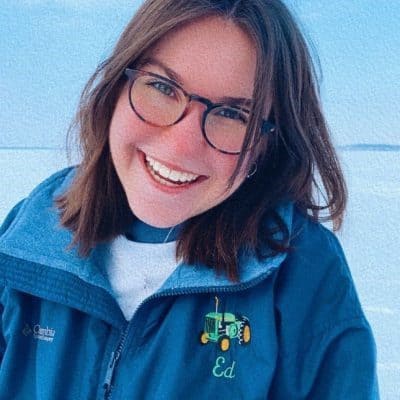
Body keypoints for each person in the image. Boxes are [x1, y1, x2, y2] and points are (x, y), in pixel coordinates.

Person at [0, 0, 379, 399]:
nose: (182, 146)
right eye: (162, 88)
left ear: (268, 143)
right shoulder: (29, 237)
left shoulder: (305, 273)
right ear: (116, 88)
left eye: (233, 114)